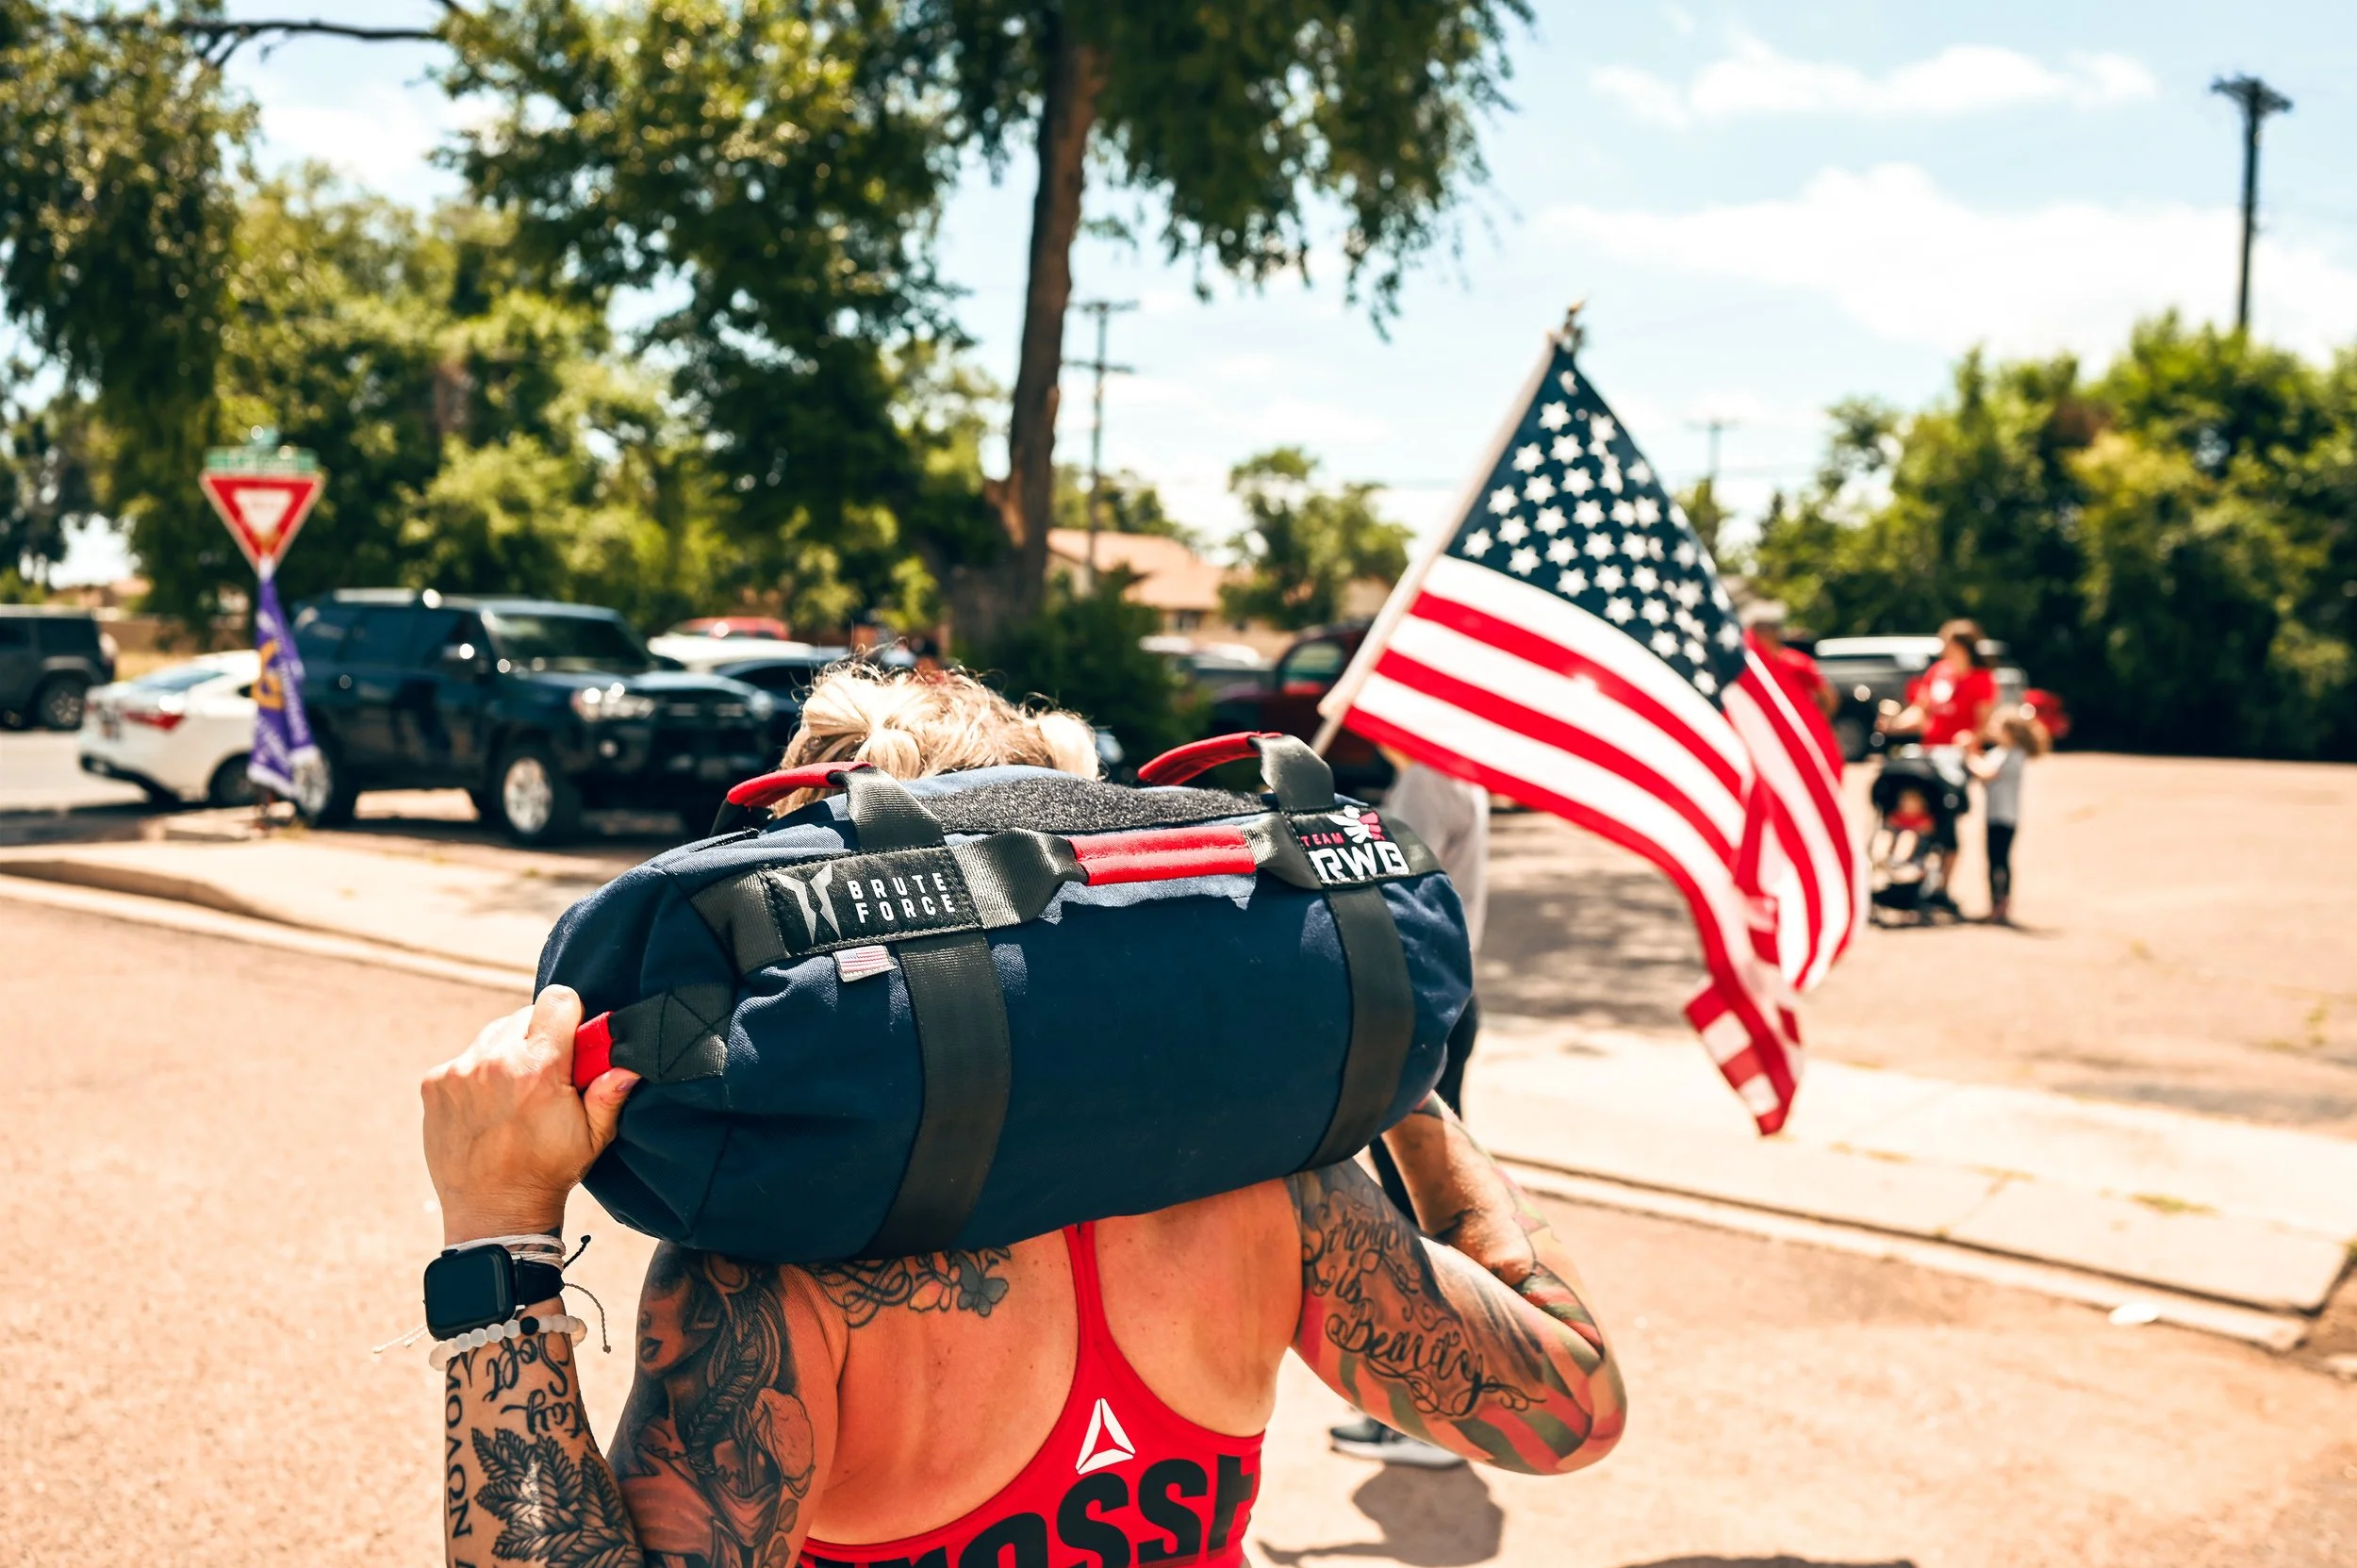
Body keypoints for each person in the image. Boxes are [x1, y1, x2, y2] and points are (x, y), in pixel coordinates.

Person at [422, 665, 1627, 1568]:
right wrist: (1386, 1076)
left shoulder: (777, 1262)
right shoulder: (1274, 1185)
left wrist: (495, 1233)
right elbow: (1568, 1406)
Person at [1330, 752, 1491, 1469]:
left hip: (1424, 999)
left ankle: (1427, 1413)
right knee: (1425, 1208)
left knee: (1410, 1219)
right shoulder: (1458, 771)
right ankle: (1426, 1405)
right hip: (1450, 996)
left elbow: (1393, 893)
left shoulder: (1430, 777)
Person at [1969, 706, 2048, 925]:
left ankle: (2001, 906)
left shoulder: (2014, 755)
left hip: (2005, 816)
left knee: (2000, 861)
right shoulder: (1998, 752)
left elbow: (1987, 773)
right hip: (1993, 814)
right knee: (1992, 860)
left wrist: (1967, 754)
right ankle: (1994, 904)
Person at [1741, 602, 1837, 720]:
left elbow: (1828, 697)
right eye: (1756, 629)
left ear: (1775, 631)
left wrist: (1814, 722)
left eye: (1764, 629)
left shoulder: (1797, 662)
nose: (1759, 634)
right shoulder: (1749, 664)